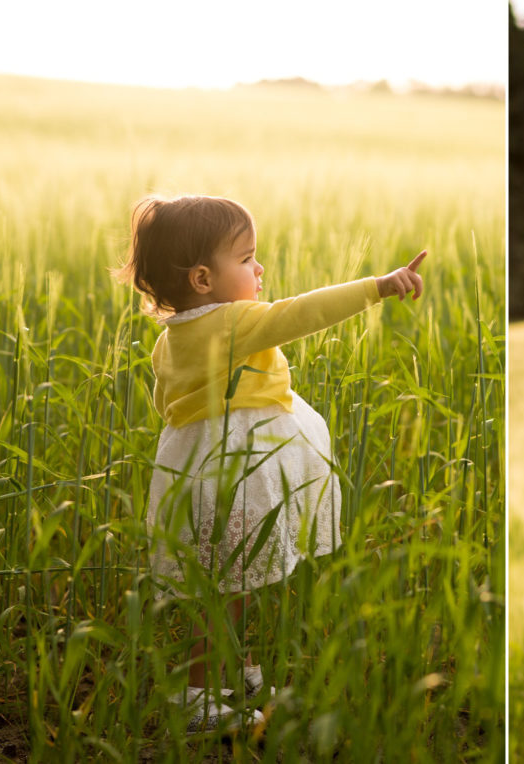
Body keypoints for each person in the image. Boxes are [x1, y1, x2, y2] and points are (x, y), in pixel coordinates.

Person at [117, 194, 426, 731]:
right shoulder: (231, 323)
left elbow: (171, 409)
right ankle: (197, 696)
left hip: (209, 474)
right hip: (235, 476)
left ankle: (235, 667)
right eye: (246, 259)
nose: (259, 269)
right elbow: (301, 313)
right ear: (202, 279)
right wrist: (377, 286)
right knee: (229, 588)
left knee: (234, 580)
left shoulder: (172, 339)